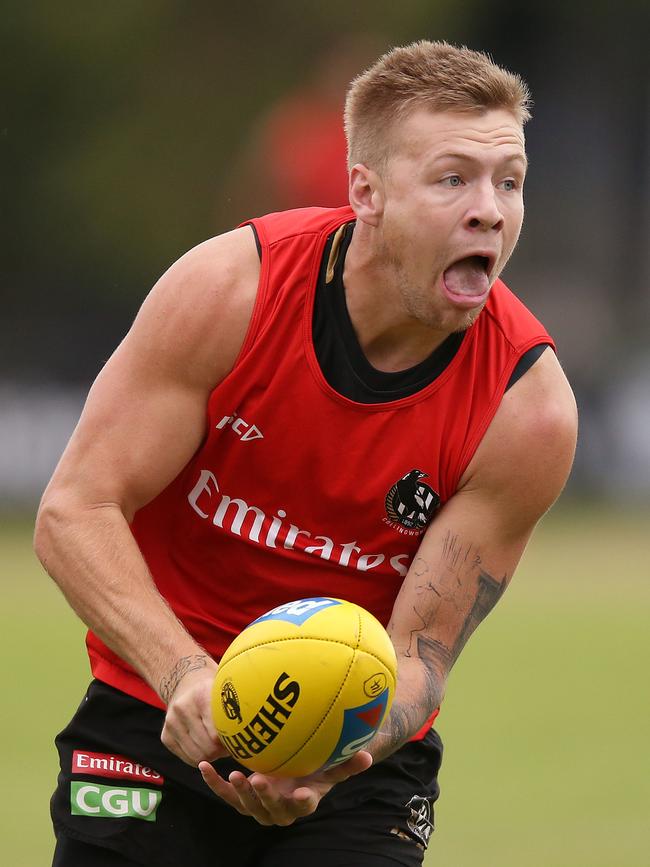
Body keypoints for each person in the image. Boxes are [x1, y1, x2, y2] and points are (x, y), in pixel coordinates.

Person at [35, 40, 577, 867]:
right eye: (451, 178)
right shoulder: (229, 291)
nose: (490, 210)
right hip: (154, 711)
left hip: (358, 755)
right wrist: (184, 675)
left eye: (510, 181)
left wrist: (324, 756)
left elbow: (421, 655)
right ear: (366, 191)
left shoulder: (526, 408)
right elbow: (76, 510)